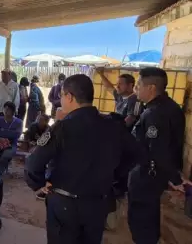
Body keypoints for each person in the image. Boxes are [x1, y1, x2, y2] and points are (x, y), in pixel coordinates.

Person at [24, 74, 139, 244]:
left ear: (69, 97)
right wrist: (114, 177)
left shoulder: (61, 128)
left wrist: (40, 184)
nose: (60, 100)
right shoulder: (113, 126)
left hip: (65, 204)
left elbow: (33, 164)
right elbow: (135, 154)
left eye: (61, 96)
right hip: (98, 203)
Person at [128, 67, 192, 244]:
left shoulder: (155, 113)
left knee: (141, 222)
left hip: (146, 176)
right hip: (154, 175)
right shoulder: (169, 107)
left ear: (151, 88)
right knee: (149, 217)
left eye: (139, 85)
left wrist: (175, 178)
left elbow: (158, 150)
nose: (136, 89)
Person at [0, 102, 23, 177]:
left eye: (8, 110)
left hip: (12, 145)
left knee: (5, 156)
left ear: (13, 111)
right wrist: (10, 133)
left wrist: (3, 131)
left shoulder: (19, 122)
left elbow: (17, 135)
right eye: (5, 109)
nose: (6, 111)